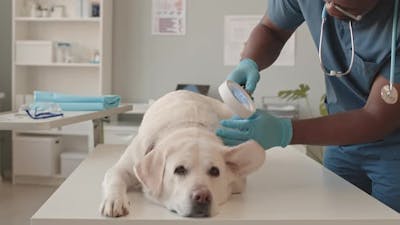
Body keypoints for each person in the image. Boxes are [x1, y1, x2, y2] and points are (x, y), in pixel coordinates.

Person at [216, 0, 400, 213]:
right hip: (339, 140)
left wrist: (285, 131)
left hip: (393, 149)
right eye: (327, 1)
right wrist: (249, 61)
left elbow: (376, 119)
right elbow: (271, 29)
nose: (330, 9)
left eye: (343, 7)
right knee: (338, 215)